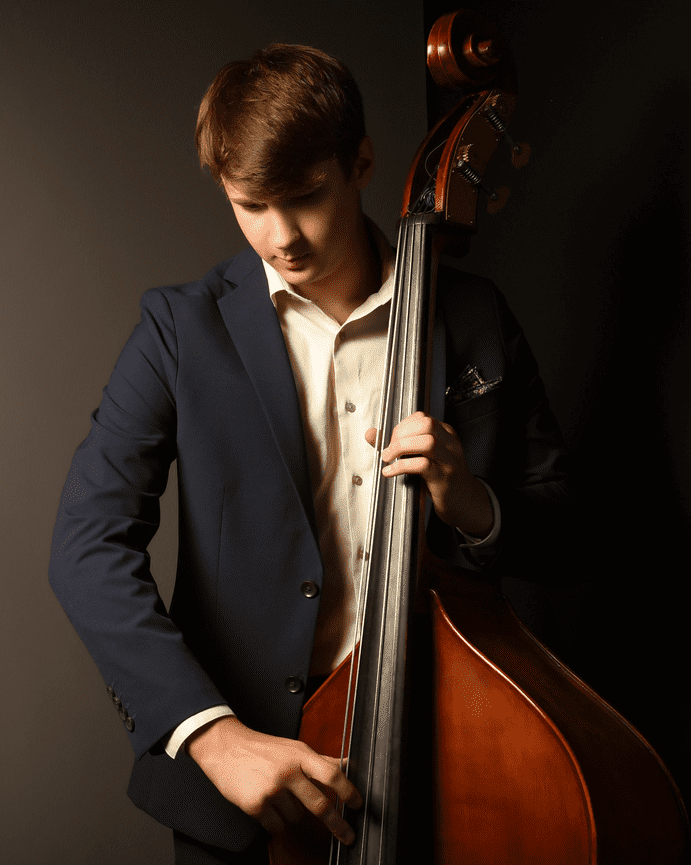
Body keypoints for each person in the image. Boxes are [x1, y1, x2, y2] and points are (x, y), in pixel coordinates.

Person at [48, 43, 569, 864]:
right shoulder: (179, 331)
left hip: (455, 762)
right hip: (252, 788)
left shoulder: (471, 315)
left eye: (305, 198)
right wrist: (215, 739)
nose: (280, 236)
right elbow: (85, 546)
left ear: (360, 162)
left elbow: (562, 526)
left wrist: (468, 498)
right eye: (249, 206)